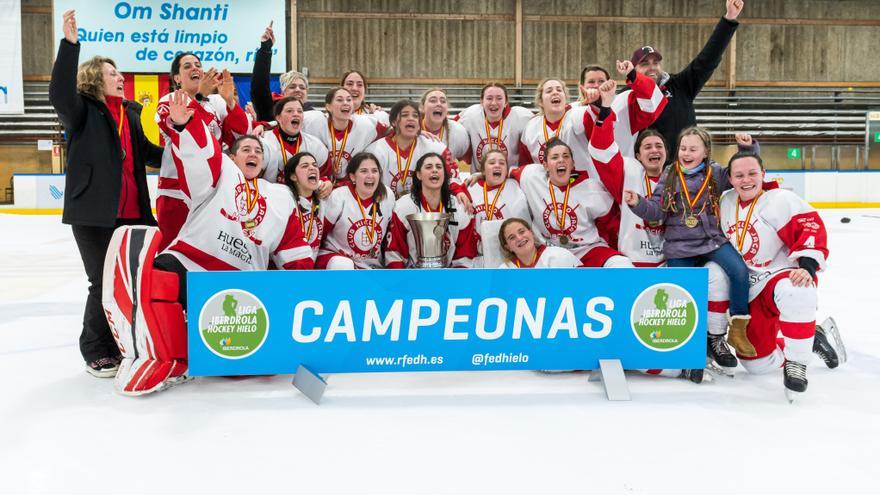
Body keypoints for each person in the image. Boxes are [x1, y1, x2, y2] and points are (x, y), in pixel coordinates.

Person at [49, 10, 164, 377]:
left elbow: (147, 153)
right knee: (101, 281)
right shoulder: (81, 111)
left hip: (133, 215)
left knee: (128, 282)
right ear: (96, 80)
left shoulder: (129, 114)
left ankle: (121, 342)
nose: (122, 78)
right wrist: (70, 46)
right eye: (114, 74)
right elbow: (59, 93)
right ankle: (94, 350)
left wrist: (186, 149)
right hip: (95, 215)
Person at [153, 90, 314, 300]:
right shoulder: (221, 169)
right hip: (191, 262)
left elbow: (293, 249)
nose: (253, 154)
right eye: (246, 149)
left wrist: (305, 291)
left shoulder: (281, 195)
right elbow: (201, 154)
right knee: (158, 279)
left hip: (242, 282)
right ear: (232, 156)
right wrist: (186, 126)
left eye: (258, 151)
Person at [624, 126, 756, 358]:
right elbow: (656, 211)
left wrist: (746, 148)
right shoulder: (670, 174)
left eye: (693, 149)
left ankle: (736, 328)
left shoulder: (715, 173)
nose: (686, 153)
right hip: (680, 245)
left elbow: (741, 171)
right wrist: (638, 203)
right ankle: (688, 342)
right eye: (683, 148)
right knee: (680, 292)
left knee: (739, 271)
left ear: (705, 152)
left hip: (711, 240)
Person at [718, 151, 829, 397]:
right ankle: (811, 339)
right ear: (731, 178)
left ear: (763, 174)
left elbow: (810, 229)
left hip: (778, 275)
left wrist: (807, 266)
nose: (746, 180)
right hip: (746, 287)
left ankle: (797, 363)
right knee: (756, 364)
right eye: (739, 175)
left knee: (796, 290)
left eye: (752, 173)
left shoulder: (780, 199)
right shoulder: (725, 201)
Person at [154, 54, 250, 250]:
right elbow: (182, 131)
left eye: (198, 65)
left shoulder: (216, 102)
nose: (195, 69)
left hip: (214, 191)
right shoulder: (169, 100)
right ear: (177, 78)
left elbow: (241, 133)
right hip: (177, 192)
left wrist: (230, 101)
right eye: (187, 66)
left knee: (211, 251)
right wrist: (198, 97)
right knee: (172, 251)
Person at [632, 0, 744, 159]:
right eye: (644, 63)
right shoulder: (627, 96)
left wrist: (728, 19)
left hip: (686, 171)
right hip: (647, 173)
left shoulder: (680, 85)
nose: (652, 67)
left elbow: (707, 60)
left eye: (656, 62)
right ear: (633, 69)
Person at [510, 138, 631, 268]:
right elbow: (508, 171)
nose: (561, 160)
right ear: (545, 165)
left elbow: (610, 227)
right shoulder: (530, 177)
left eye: (566, 156)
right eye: (555, 157)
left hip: (587, 249)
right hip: (552, 250)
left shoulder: (592, 189)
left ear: (573, 164)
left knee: (622, 265)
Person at [385, 153, 478, 268]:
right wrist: (403, 284)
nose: (434, 170)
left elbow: (465, 254)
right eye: (428, 167)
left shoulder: (459, 206)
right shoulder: (404, 206)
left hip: (448, 278)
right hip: (412, 278)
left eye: (439, 167)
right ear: (419, 175)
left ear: (444, 174)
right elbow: (394, 253)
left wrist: (455, 283)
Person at [317, 153, 395, 269]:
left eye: (374, 171)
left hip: (371, 264)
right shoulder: (339, 196)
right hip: (336, 258)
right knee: (343, 265)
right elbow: (320, 233)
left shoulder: (387, 195)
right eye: (364, 171)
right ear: (353, 176)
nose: (370, 176)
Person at [365, 99, 456, 198]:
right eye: (404, 115)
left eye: (415, 116)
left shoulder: (434, 146)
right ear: (394, 122)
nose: (411, 119)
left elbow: (453, 177)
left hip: (422, 210)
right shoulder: (375, 151)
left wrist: (459, 191)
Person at [302, 87, 385, 184]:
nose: (345, 103)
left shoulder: (365, 124)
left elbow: (392, 132)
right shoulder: (313, 121)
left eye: (349, 100)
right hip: (320, 184)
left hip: (351, 186)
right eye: (339, 100)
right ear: (328, 107)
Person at [467, 150, 531, 266]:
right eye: (492, 163)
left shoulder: (515, 188)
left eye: (502, 163)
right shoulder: (471, 188)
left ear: (506, 170)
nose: (497, 165)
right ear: (482, 170)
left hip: (508, 256)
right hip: (476, 256)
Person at [457, 83, 533, 170]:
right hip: (479, 178)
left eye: (499, 98)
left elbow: (541, 124)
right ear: (481, 101)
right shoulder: (470, 115)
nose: (494, 103)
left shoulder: (521, 117)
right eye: (489, 98)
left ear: (506, 102)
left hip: (510, 179)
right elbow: (449, 127)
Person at [250, 21, 314, 122]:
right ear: (283, 91)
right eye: (292, 86)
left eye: (302, 87)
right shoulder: (271, 110)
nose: (298, 90)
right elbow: (259, 86)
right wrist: (265, 49)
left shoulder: (314, 116)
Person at [259, 96, 330, 184]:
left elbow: (324, 177)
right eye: (289, 111)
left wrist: (326, 183)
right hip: (272, 195)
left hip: (303, 196)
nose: (296, 114)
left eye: (300, 111)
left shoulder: (315, 145)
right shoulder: (263, 141)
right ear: (278, 117)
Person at [282, 151, 325, 260]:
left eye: (315, 165)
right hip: (287, 266)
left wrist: (327, 182)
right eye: (305, 166)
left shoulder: (323, 198)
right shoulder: (284, 196)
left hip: (311, 266)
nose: (312, 168)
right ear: (293, 176)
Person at [497, 218, 581, 268]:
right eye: (512, 237)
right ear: (508, 247)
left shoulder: (560, 255)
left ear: (532, 233)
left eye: (522, 232)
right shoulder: (504, 272)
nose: (519, 238)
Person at [419, 88, 472, 166]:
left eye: (443, 101)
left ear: (447, 108)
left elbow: (468, 161)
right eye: (433, 100)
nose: (439, 104)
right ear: (422, 108)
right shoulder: (412, 129)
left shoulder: (458, 131)